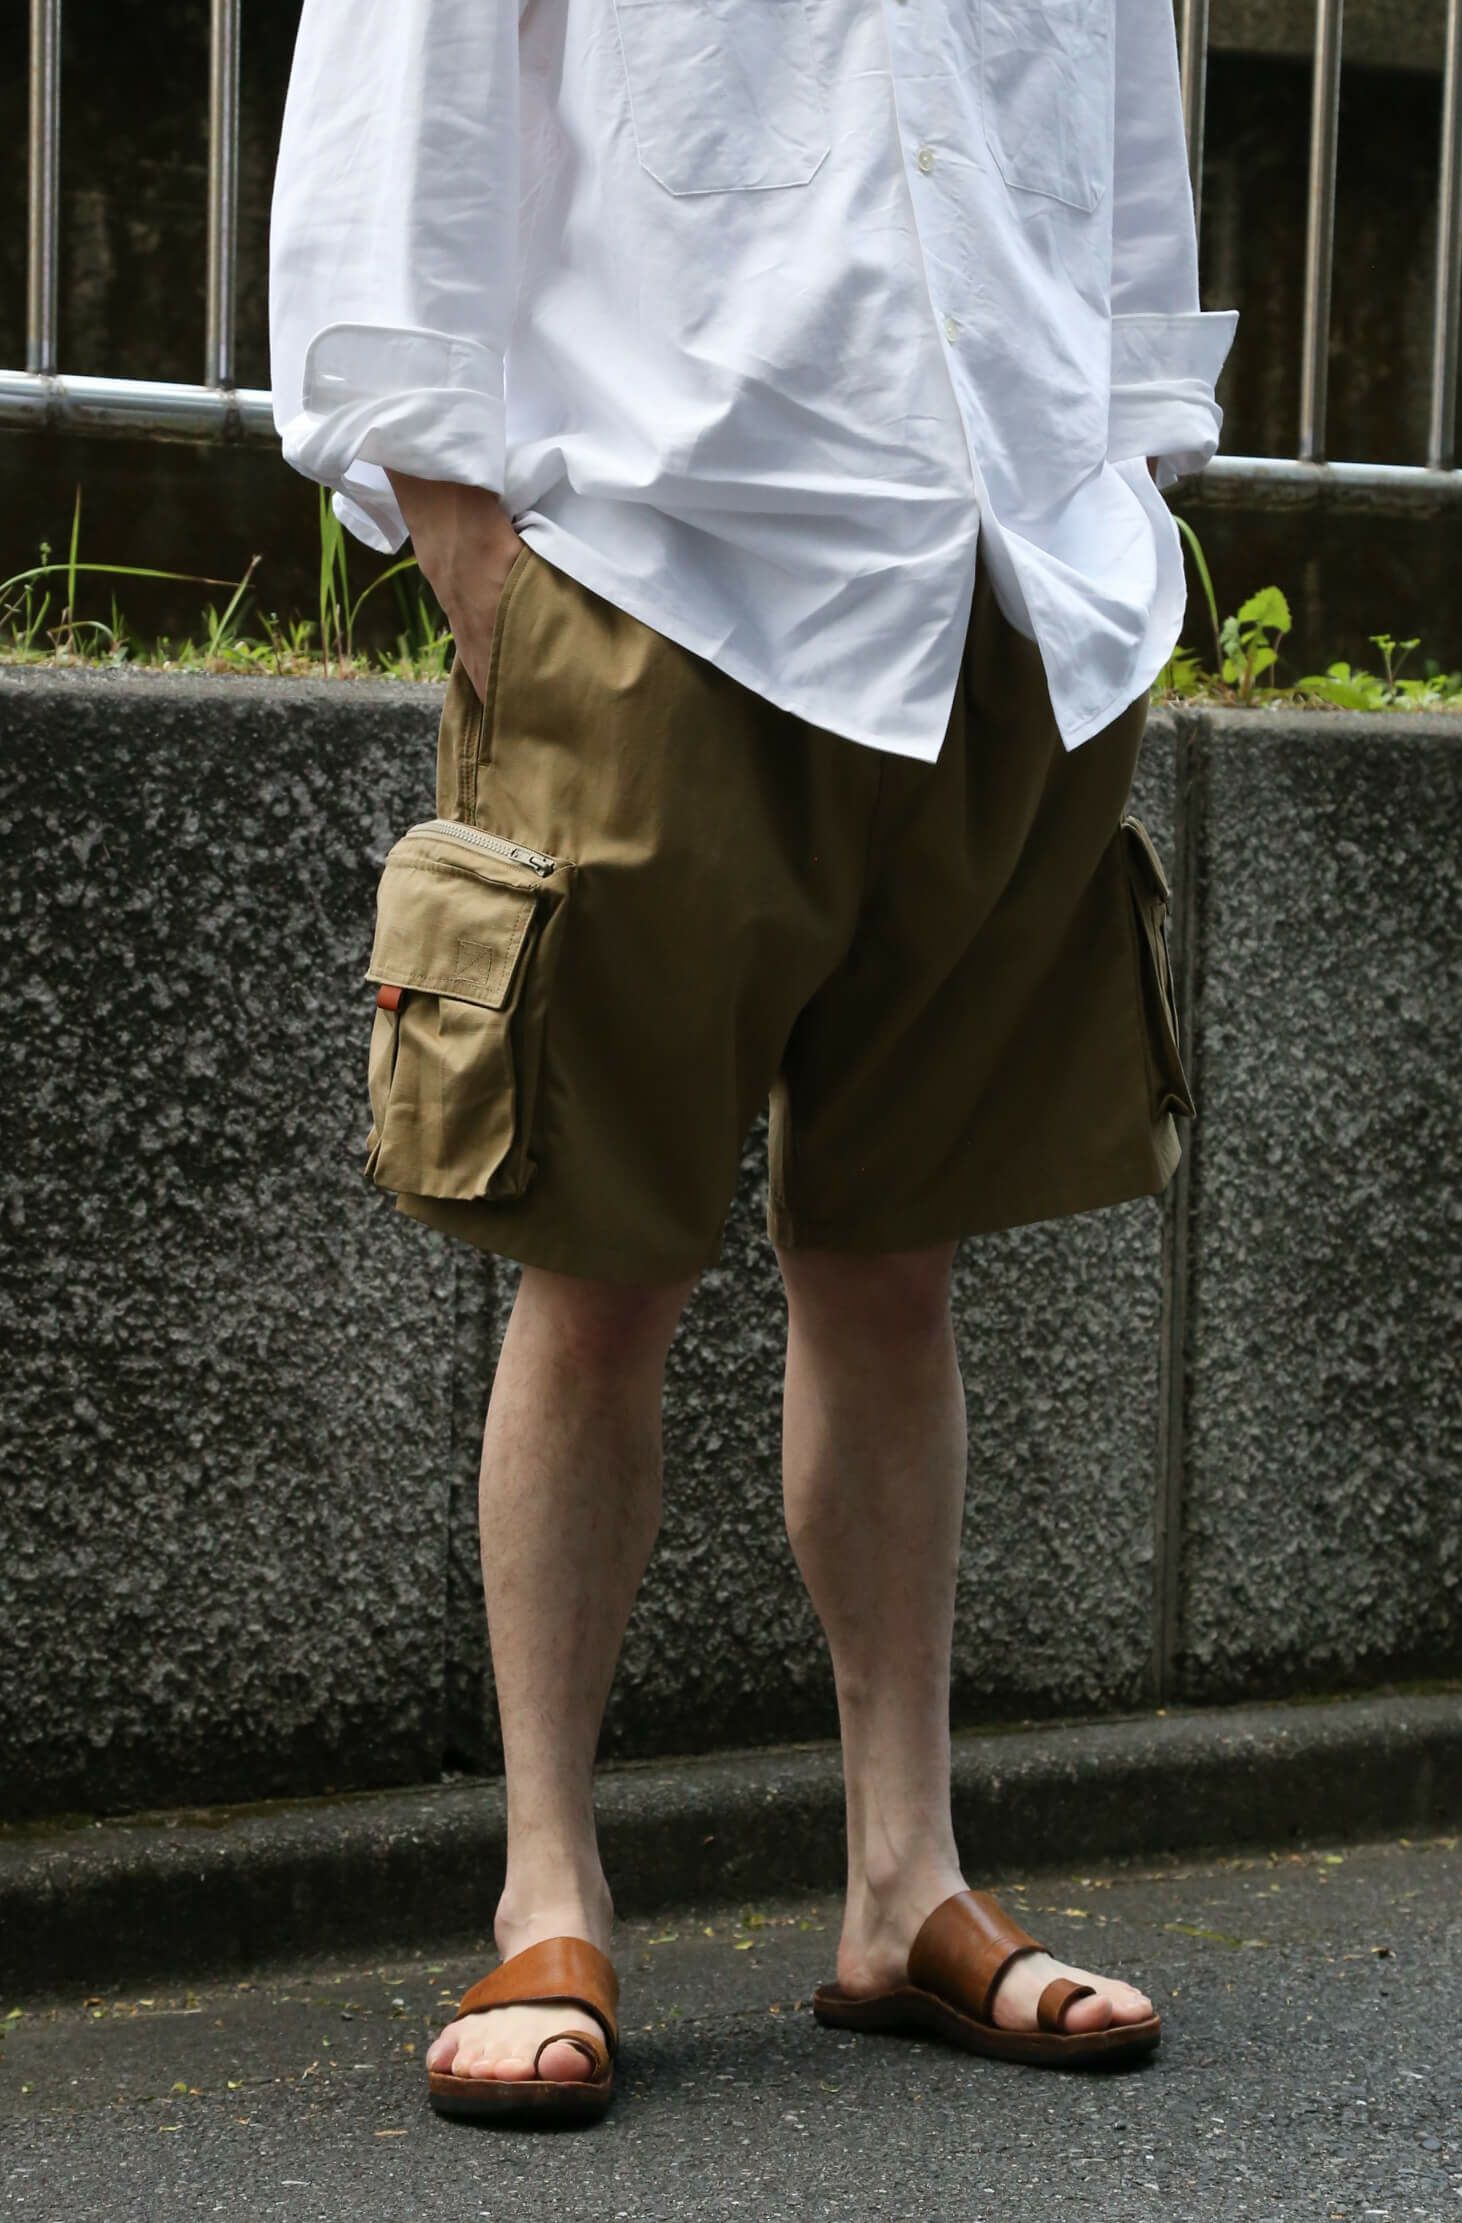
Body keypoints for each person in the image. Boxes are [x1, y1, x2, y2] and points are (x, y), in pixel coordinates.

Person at [270, 0, 1238, 2125]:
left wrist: (1122, 465)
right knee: (598, 1268)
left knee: (896, 1263)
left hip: (995, 584)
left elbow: (1108, 118)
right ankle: (548, 1891)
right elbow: (401, 92)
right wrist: (465, 537)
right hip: (656, 559)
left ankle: (907, 1883)